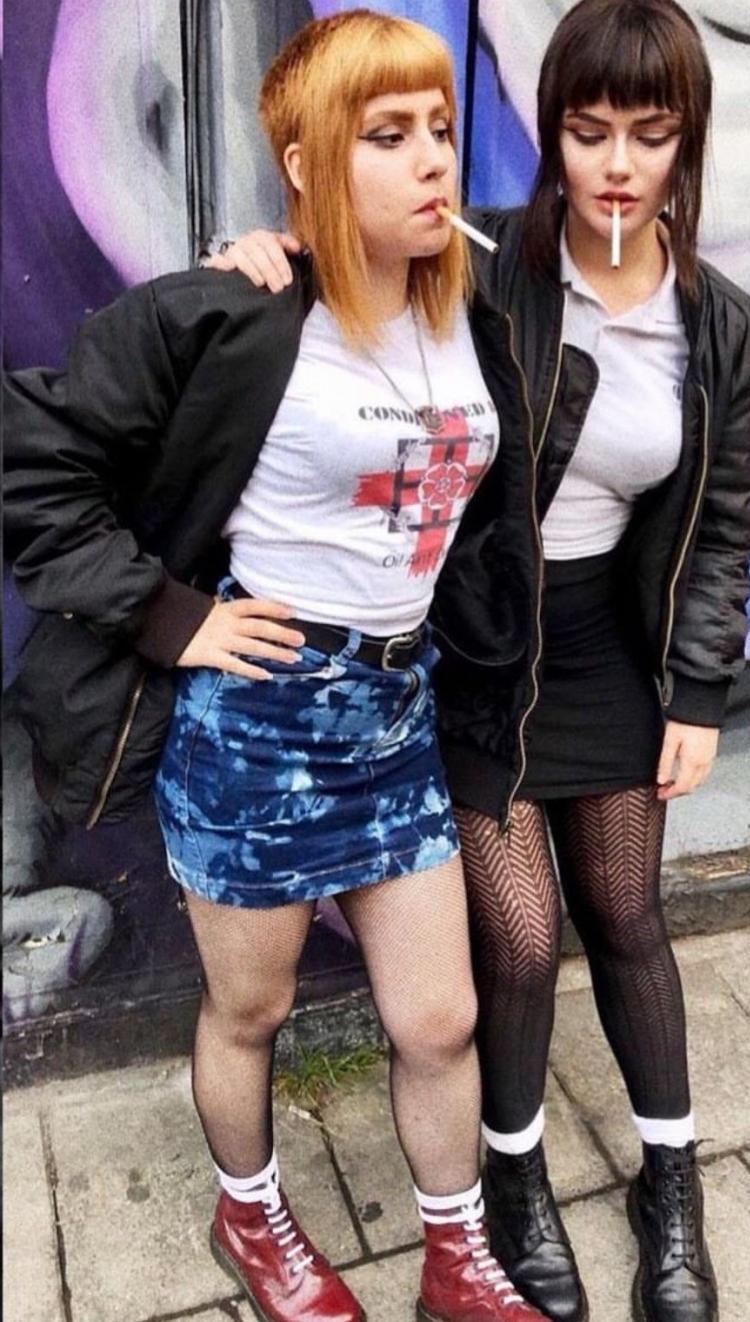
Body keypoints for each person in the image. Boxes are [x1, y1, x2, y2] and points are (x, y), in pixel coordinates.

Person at [209, 3, 750, 1321]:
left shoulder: (721, 323)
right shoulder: (480, 263)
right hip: (482, 656)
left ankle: (671, 1186)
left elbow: (723, 519)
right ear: (550, 133)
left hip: (612, 654)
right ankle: (511, 1185)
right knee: (516, 938)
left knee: (626, 914)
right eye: (587, 130)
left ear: (686, 139)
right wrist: (255, 254)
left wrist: (698, 688)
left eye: (650, 132)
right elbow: (346, 267)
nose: (617, 163)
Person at [4, 12, 553, 1322]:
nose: (433, 159)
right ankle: (249, 1219)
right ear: (304, 163)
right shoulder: (235, 313)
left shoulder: (471, 307)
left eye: (440, 128)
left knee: (439, 1019)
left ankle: (455, 1258)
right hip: (258, 726)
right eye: (387, 135)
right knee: (249, 1011)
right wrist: (166, 614)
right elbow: (35, 458)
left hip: (398, 717)